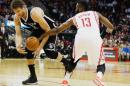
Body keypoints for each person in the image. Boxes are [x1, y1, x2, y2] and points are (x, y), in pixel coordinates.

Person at [43, 0, 114, 86]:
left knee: (73, 61)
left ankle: (65, 81)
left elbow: (58, 30)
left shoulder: (75, 17)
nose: (75, 7)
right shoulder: (96, 13)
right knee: (101, 64)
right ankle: (98, 78)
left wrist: (45, 34)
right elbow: (110, 26)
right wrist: (109, 29)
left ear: (81, 7)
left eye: (77, 5)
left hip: (80, 39)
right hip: (94, 38)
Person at [10, 0, 69, 85]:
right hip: (39, 30)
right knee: (28, 50)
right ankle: (33, 77)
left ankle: (66, 62)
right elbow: (18, 34)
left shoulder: (34, 13)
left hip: (50, 29)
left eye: (19, 11)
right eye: (15, 12)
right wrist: (17, 45)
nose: (17, 14)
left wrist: (40, 47)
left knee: (49, 52)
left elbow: (47, 30)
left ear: (24, 7)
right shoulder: (16, 17)